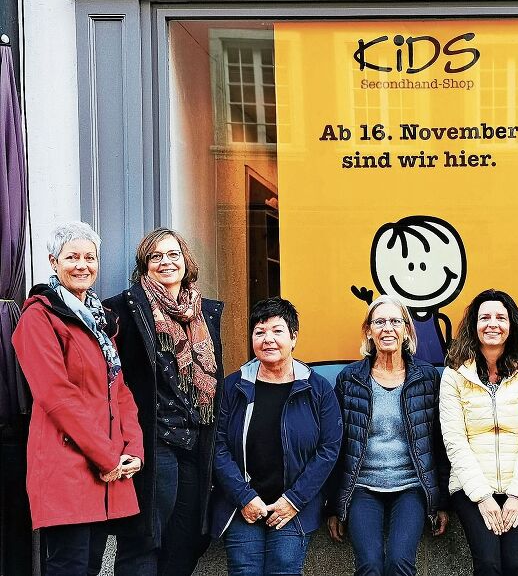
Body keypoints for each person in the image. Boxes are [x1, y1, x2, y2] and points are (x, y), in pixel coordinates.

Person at [12, 222, 143, 576]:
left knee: (90, 567)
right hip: (66, 468)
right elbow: (56, 396)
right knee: (69, 568)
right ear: (53, 262)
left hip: (106, 468)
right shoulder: (38, 317)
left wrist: (133, 449)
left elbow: (121, 391)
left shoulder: (99, 321)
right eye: (72, 257)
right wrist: (107, 457)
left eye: (90, 257)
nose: (82, 265)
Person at [104, 227, 224, 576]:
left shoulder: (204, 313)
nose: (166, 262)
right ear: (145, 266)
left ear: (186, 262)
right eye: (155, 256)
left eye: (173, 255)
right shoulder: (123, 309)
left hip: (195, 440)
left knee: (188, 540)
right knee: (144, 541)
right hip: (152, 442)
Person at [210, 297, 342, 575]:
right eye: (260, 332)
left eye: (277, 331)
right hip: (241, 503)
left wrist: (294, 500)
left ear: (293, 338)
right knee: (244, 570)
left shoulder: (317, 389)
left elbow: (329, 448)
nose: (268, 339)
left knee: (284, 568)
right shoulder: (234, 387)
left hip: (294, 506)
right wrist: (243, 497)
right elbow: (217, 445)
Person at [327, 294, 449, 576]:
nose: (387, 328)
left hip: (410, 487)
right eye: (379, 321)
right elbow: (336, 445)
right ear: (368, 330)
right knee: (369, 565)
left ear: (406, 329)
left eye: (395, 321)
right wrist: (333, 506)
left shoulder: (427, 378)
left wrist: (442, 501)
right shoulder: (350, 379)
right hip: (362, 487)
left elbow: (439, 443)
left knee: (399, 562)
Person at [439, 288, 518, 576]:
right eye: (484, 317)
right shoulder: (455, 373)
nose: (492, 324)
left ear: (512, 325)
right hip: (472, 485)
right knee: (488, 565)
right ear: (474, 325)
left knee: (515, 566)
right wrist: (482, 497)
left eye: (501, 317)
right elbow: (455, 440)